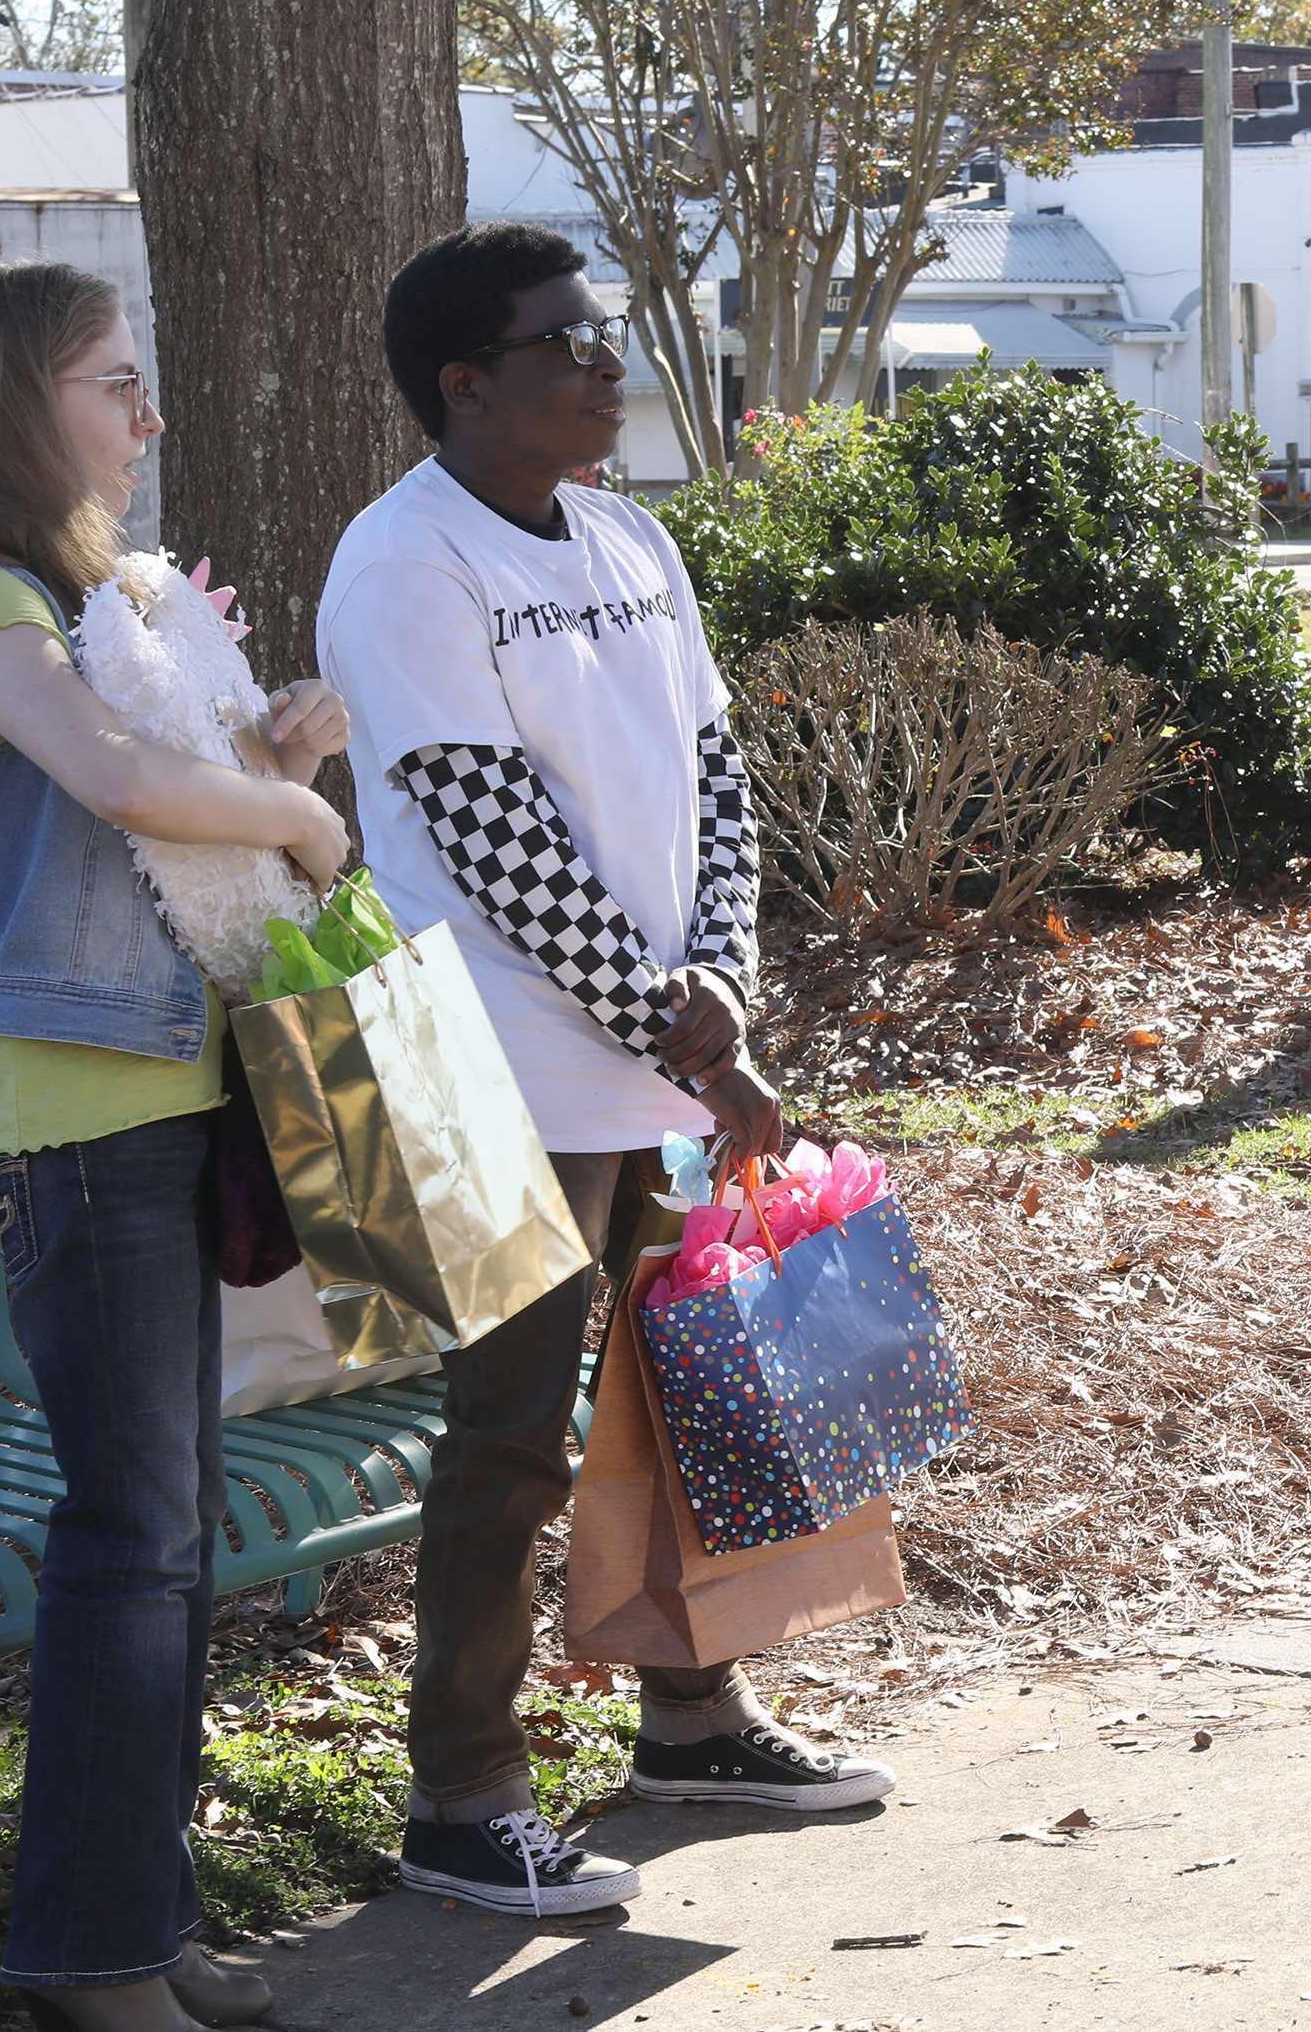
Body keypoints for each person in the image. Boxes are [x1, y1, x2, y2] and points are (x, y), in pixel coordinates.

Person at [319, 221, 892, 1919]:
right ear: (465, 383)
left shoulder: (629, 534)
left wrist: (720, 976)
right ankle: (462, 1795)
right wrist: (684, 1024)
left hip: (650, 1049)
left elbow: (715, 774)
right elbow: (493, 830)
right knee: (508, 1440)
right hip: (478, 1062)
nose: (603, 360)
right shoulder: (403, 562)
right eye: (564, 341)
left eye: (603, 333)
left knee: (698, 1391)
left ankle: (693, 1717)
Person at [0, 260, 350, 2031]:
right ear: (8, 403)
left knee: (171, 1531)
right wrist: (288, 807)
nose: (145, 420)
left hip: (151, 1110)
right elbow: (126, 788)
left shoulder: (64, 603)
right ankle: (86, 1955)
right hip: (70, 1127)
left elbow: (168, 792)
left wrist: (282, 742)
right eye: (112, 384)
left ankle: (136, 1920)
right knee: (131, 1538)